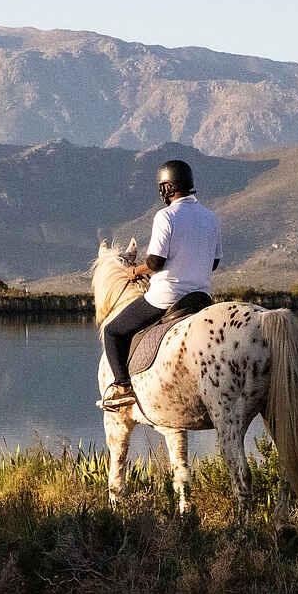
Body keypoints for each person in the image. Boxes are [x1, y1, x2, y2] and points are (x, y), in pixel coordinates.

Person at [98, 159, 222, 410]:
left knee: (113, 331)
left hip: (167, 297)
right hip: (201, 297)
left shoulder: (166, 216)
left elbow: (155, 263)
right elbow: (214, 263)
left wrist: (134, 271)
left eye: (162, 187)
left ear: (168, 187)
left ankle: (122, 387)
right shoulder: (211, 218)